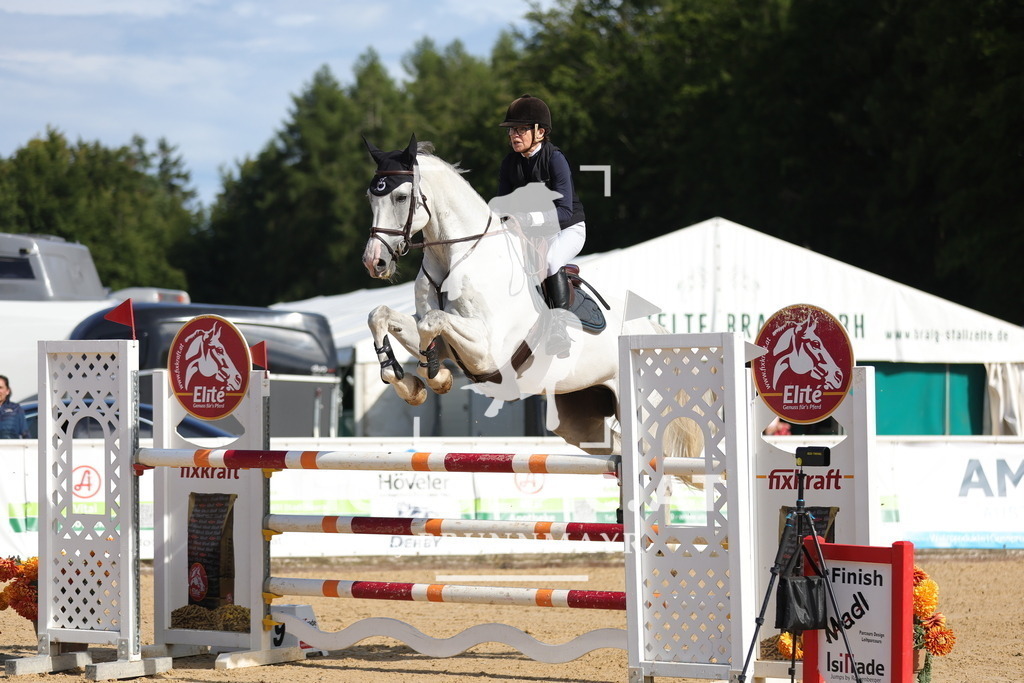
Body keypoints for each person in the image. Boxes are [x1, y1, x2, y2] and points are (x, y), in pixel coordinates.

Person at [496, 94, 587, 357]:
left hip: (567, 228)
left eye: (521, 129)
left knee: (550, 260)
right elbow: (503, 206)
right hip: (528, 233)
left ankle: (558, 327)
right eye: (512, 130)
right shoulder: (509, 163)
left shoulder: (555, 158)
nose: (514, 135)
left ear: (540, 132)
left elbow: (565, 210)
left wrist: (526, 219)